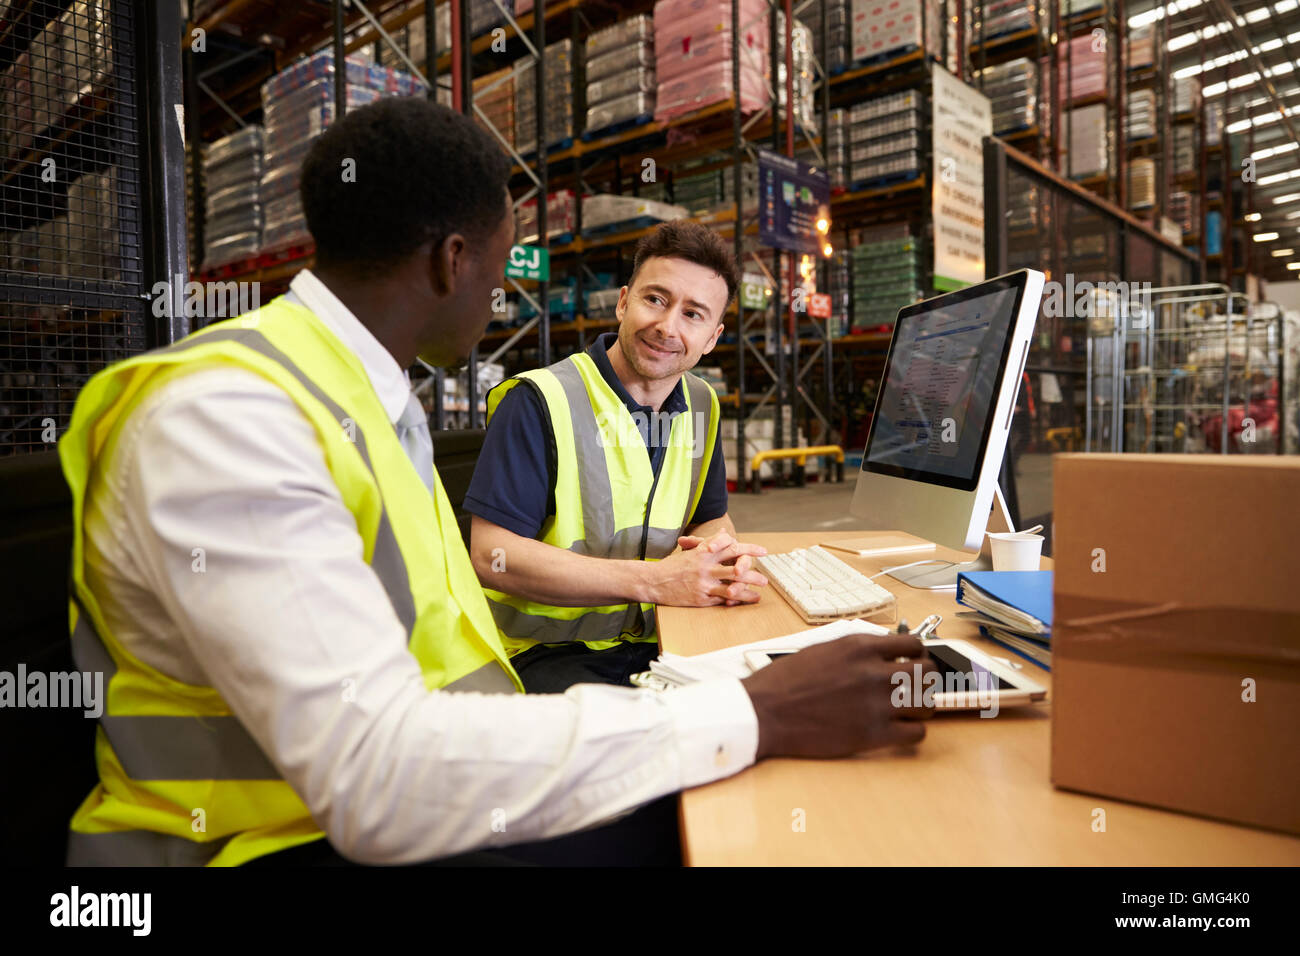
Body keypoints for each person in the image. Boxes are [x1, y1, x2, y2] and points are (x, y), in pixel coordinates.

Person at [58, 97, 934, 867]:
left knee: (739, 802)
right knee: (738, 815)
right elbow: (375, 776)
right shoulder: (229, 417)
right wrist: (753, 714)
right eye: (505, 263)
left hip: (417, 771)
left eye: (696, 314)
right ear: (452, 261)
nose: (501, 298)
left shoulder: (365, 400)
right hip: (261, 842)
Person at [466, 221, 768, 692]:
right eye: (656, 299)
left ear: (712, 337)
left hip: (661, 636)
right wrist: (654, 582)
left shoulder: (702, 403)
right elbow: (492, 556)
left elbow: (710, 518)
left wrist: (720, 556)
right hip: (544, 653)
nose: (668, 327)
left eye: (693, 314)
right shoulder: (541, 400)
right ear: (624, 302)